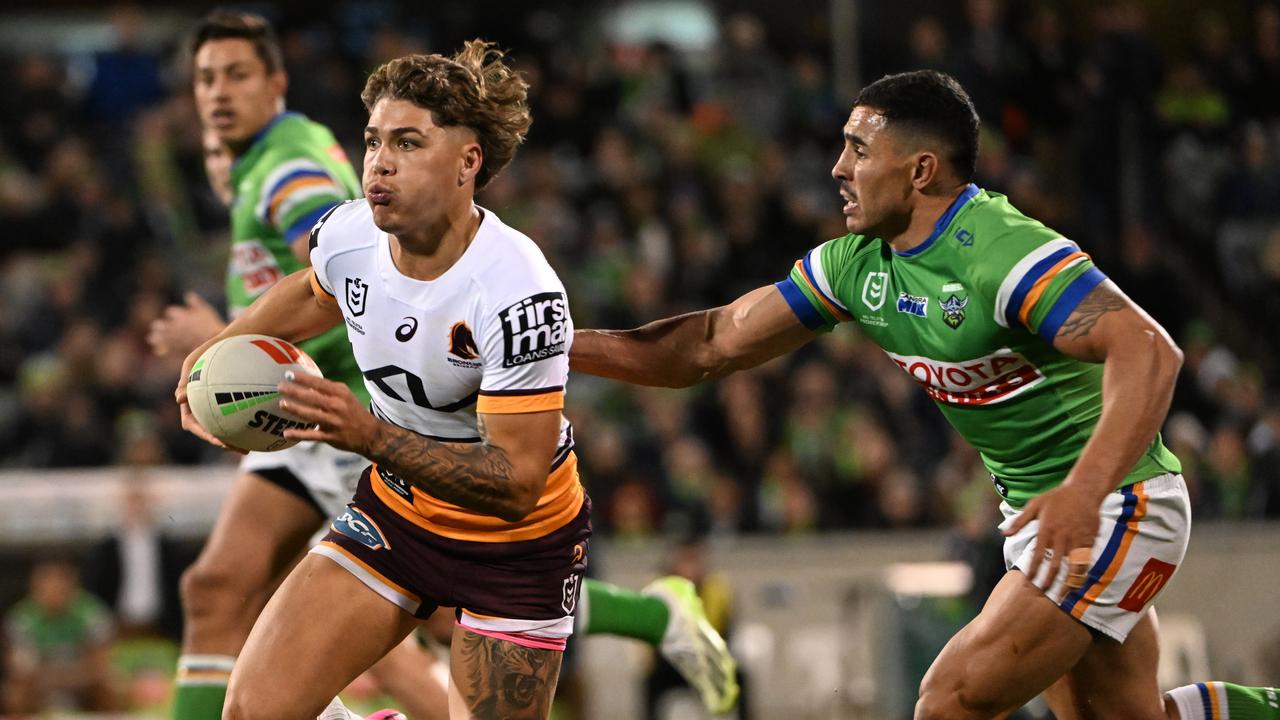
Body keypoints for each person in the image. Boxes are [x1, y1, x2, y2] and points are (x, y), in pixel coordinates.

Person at [569, 69, 1279, 720]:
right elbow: (710, 343)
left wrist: (1084, 491)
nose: (838, 169)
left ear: (920, 170)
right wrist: (556, 344)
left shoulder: (997, 251)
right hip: (1047, 514)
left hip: (1116, 500)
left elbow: (1149, 350)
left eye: (857, 150)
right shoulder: (858, 265)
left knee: (949, 702)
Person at [176, 40, 735, 719]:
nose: (379, 162)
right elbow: (311, 290)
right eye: (374, 141)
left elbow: (515, 484)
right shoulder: (351, 235)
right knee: (252, 712)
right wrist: (216, 352)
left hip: (518, 548)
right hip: (397, 516)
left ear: (469, 161)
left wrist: (367, 434)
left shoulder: (517, 292)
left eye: (408, 143)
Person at [149, 13, 447, 720]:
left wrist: (219, 340)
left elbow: (344, 260)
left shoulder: (288, 166)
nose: (218, 92)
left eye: (238, 75)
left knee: (415, 627)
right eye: (206, 78)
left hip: (342, 412)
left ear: (276, 83)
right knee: (217, 588)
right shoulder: (256, 161)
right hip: (292, 415)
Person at [4, 559, 116, 714]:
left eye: (61, 584)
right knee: (14, 693)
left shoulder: (93, 615)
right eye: (47, 584)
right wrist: (58, 677)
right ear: (34, 587)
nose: (54, 589)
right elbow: (21, 670)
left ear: (74, 587)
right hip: (42, 688)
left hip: (82, 685)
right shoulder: (21, 620)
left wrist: (60, 677)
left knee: (110, 685)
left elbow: (100, 666)